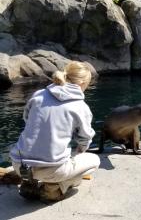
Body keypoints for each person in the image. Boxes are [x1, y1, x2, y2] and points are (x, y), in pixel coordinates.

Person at [9, 61, 99, 202]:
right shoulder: (80, 107)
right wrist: (78, 153)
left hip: (19, 164)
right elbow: (85, 139)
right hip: (52, 170)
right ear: (82, 83)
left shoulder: (38, 95)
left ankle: (29, 182)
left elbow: (27, 119)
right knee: (94, 160)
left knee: (35, 155)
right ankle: (53, 189)